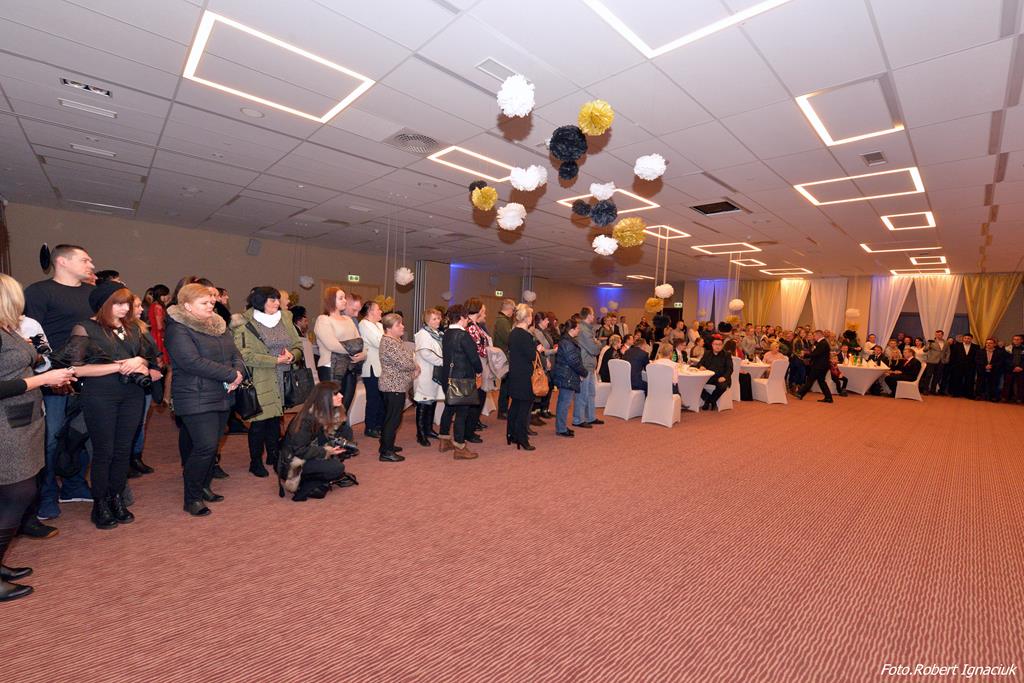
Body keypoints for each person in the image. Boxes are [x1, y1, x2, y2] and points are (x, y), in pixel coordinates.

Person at [54, 282, 159, 529]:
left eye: (127, 304)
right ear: (103, 304)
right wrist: (119, 366)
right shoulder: (86, 327)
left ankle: (116, 498)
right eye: (118, 304)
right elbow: (75, 369)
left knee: (123, 450)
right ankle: (99, 503)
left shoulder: (132, 327)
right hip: (100, 395)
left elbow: (147, 357)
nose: (125, 309)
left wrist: (140, 361)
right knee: (104, 451)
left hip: (132, 395)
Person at [0, 274, 77, 601]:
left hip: (22, 419)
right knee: (19, 492)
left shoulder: (8, 328)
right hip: (6, 424)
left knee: (17, 491)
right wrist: (42, 381)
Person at [22, 244, 95, 529]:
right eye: (85, 260)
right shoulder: (39, 292)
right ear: (62, 261)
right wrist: (50, 372)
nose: (91, 264)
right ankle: (47, 493)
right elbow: (31, 337)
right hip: (51, 379)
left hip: (87, 376)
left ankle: (74, 484)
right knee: (51, 439)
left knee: (81, 434)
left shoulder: (92, 293)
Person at [165, 284, 245, 517]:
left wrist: (238, 373)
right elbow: (190, 361)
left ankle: (204, 486)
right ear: (187, 306)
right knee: (205, 447)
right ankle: (192, 498)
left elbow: (236, 354)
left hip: (221, 393)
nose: (211, 305)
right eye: (204, 302)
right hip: (194, 396)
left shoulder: (219, 325)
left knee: (212, 447)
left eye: (211, 302)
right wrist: (231, 375)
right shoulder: (178, 329)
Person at [232, 287, 303, 477]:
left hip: (283, 376)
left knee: (275, 419)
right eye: (272, 300)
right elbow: (245, 355)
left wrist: (292, 356)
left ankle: (273, 455)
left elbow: (298, 345)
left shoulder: (285, 318)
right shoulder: (245, 323)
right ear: (259, 302)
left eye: (277, 299)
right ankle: (255, 462)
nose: (277, 303)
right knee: (259, 422)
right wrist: (275, 360)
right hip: (260, 378)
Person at [278, 382, 357, 502]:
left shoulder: (328, 412)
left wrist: (337, 446)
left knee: (346, 431)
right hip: (293, 463)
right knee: (337, 468)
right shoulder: (305, 421)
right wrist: (327, 451)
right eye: (336, 394)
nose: (341, 395)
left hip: (312, 451)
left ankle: (323, 473)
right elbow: (299, 451)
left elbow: (328, 436)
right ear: (324, 398)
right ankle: (306, 483)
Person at [437, 305, 481, 459]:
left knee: (449, 408)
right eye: (466, 317)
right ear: (462, 317)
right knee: (462, 413)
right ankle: (460, 447)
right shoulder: (464, 335)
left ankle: (444, 440)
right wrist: (479, 370)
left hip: (447, 377)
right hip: (462, 379)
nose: (468, 320)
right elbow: (474, 357)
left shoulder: (447, 333)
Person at [314, 287, 365, 413]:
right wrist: (352, 350)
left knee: (344, 407)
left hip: (350, 367)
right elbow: (332, 345)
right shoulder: (323, 319)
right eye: (340, 298)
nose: (344, 301)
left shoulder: (348, 320)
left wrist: (363, 354)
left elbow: (359, 342)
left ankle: (340, 426)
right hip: (330, 367)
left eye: (344, 298)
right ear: (331, 300)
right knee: (331, 408)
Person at [377, 313, 416, 462]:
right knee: (392, 419)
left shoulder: (394, 341)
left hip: (396, 385)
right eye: (398, 325)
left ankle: (387, 445)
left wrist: (412, 362)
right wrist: (414, 364)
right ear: (389, 328)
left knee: (393, 418)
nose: (402, 326)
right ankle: (386, 452)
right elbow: (406, 363)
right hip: (392, 386)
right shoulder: (389, 343)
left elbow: (408, 358)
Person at [505, 304, 538, 451]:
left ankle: (511, 434)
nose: (532, 318)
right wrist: (537, 349)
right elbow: (531, 355)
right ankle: (522, 438)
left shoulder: (513, 333)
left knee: (515, 406)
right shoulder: (524, 335)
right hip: (524, 375)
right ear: (526, 318)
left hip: (515, 373)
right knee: (523, 409)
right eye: (531, 315)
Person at [413, 308, 445, 447]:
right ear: (427, 320)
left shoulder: (438, 334)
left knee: (431, 401)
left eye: (438, 318)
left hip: (435, 373)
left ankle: (429, 429)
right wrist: (443, 361)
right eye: (434, 319)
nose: (437, 321)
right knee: (423, 402)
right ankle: (420, 434)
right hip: (425, 373)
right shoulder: (422, 334)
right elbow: (426, 354)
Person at [552, 318, 587, 438]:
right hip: (567, 375)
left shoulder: (567, 340)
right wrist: (583, 372)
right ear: (572, 329)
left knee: (564, 402)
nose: (579, 330)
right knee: (564, 403)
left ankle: (561, 426)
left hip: (567, 374)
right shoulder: (567, 342)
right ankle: (561, 429)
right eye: (577, 328)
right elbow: (574, 361)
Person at [358, 300, 385, 439]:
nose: (381, 311)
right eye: (378, 309)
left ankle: (379, 425)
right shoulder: (364, 324)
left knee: (382, 398)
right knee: (373, 398)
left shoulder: (379, 325)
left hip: (382, 367)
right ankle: (370, 427)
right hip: (371, 367)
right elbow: (380, 342)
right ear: (370, 311)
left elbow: (386, 341)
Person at [463, 298, 489, 441]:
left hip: (478, 365)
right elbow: (477, 349)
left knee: (478, 399)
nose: (484, 312)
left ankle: (470, 430)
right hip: (475, 367)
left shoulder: (474, 325)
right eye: (482, 310)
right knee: (475, 400)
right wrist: (489, 352)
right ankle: (468, 432)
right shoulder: (471, 326)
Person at [573, 307, 603, 429]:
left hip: (590, 365)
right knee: (582, 394)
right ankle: (578, 419)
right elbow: (594, 349)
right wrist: (598, 343)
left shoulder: (588, 329)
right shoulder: (583, 330)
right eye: (593, 314)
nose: (594, 316)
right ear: (588, 315)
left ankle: (590, 417)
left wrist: (596, 342)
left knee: (591, 393)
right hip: (584, 365)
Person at [492, 298, 515, 419]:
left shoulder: (503, 320)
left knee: (506, 384)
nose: (513, 313)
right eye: (513, 310)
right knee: (505, 385)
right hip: (504, 356)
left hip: (504, 355)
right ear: (509, 309)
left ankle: (503, 409)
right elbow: (508, 339)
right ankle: (503, 410)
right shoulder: (502, 321)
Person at [531, 311, 556, 420]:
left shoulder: (545, 332)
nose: (548, 322)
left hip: (549, 361)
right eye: (546, 320)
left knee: (548, 387)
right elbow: (542, 351)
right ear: (540, 321)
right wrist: (554, 351)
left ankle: (544, 409)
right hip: (543, 363)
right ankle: (535, 412)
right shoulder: (536, 332)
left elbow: (548, 346)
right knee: (540, 387)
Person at [795, 330, 833, 403]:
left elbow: (816, 354)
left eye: (814, 335)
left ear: (819, 335)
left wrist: (805, 355)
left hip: (819, 366)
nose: (813, 337)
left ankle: (800, 393)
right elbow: (814, 352)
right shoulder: (821, 343)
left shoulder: (822, 343)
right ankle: (828, 398)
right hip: (822, 365)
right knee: (821, 381)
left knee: (810, 380)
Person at [698, 336, 731, 410]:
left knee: (722, 386)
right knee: (695, 383)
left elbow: (730, 369)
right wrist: (701, 366)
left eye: (720, 344)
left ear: (722, 346)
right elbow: (700, 363)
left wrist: (724, 377)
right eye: (716, 344)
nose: (717, 346)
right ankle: (710, 400)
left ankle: (709, 401)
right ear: (712, 345)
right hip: (708, 377)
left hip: (720, 377)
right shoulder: (707, 353)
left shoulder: (726, 355)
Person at [948, 333, 980, 398]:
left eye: (968, 338)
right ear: (963, 339)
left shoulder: (976, 347)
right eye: (965, 338)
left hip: (970, 367)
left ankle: (968, 394)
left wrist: (974, 365)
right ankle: (956, 393)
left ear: (971, 339)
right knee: (957, 379)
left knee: (969, 380)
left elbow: (977, 357)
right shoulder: (956, 346)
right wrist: (954, 365)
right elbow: (953, 356)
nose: (967, 339)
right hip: (958, 366)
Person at [975, 338, 1006, 402]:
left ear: (994, 344)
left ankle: (993, 397)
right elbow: (977, 360)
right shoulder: (980, 351)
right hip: (982, 370)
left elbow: (1001, 361)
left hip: (994, 371)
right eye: (987, 343)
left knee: (993, 384)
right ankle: (979, 395)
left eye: (990, 343)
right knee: (980, 383)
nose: (988, 344)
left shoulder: (999, 352)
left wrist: (992, 366)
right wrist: (985, 366)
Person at [921, 330, 950, 395]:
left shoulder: (946, 342)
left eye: (939, 334)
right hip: (931, 361)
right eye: (936, 334)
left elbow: (948, 351)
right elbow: (925, 350)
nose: (937, 336)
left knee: (937, 376)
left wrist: (946, 359)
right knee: (928, 375)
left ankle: (933, 390)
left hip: (941, 361)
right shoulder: (931, 342)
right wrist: (928, 345)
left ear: (942, 335)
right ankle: (925, 389)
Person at [1003, 334, 1024, 403]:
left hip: (1021, 369)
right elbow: (1006, 359)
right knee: (1007, 384)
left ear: (1021, 340)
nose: (1016, 341)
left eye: (1018, 339)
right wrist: (1013, 367)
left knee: (1021, 385)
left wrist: (1021, 367)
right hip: (1010, 369)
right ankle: (1006, 397)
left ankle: (1020, 398)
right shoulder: (1008, 348)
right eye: (1014, 339)